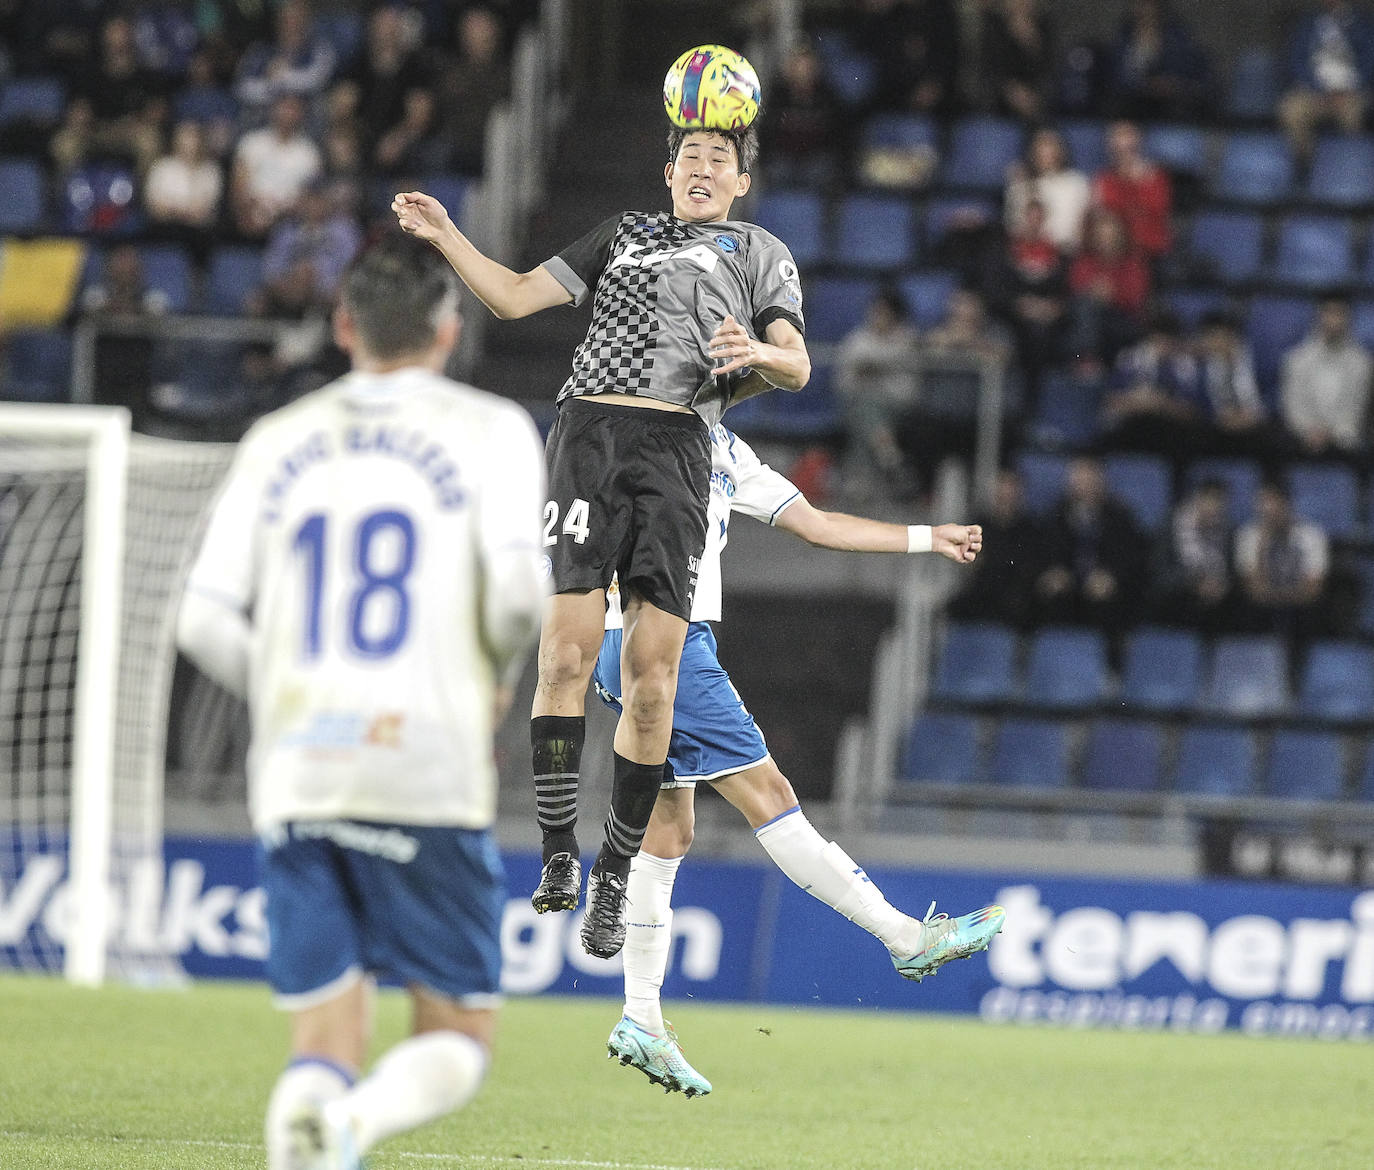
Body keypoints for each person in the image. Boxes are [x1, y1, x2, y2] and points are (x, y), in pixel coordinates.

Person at [392, 122, 810, 959]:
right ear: (667, 174)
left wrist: (755, 349)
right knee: (563, 657)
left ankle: (613, 880)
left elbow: (796, 368)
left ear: (739, 183)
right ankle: (557, 853)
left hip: (682, 450)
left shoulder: (760, 251)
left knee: (653, 680)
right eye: (689, 157)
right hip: (588, 435)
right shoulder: (619, 233)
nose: (702, 168)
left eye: (718, 160)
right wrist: (446, 236)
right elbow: (511, 297)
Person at [175, 236, 546, 1170]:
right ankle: (352, 1128)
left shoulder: (276, 438)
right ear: (448, 328)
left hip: (301, 765)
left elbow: (201, 619)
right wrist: (491, 678)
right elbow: (514, 598)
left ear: (343, 327)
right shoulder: (492, 428)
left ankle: (319, 1124)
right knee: (458, 1034)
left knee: (323, 1043)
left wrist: (292, 694)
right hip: (422, 760)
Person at [592, 424, 1005, 1095]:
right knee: (771, 794)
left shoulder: (727, 449)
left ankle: (641, 1017)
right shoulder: (644, 420)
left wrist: (929, 537)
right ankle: (904, 938)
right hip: (661, 641)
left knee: (670, 830)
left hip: (641, 644)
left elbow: (817, 525)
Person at [1279, 0, 1374, 160]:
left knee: (1352, 115)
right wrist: (1317, 89)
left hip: (1351, 93)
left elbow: (1369, 61)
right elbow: (1296, 60)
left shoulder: (1362, 23)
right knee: (1290, 109)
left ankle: (1347, 167)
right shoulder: (1309, 23)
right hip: (1314, 91)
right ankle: (1307, 164)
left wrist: (1349, 89)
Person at [1280, 294, 1373, 457]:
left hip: (1345, 444)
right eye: (1329, 313)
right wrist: (1309, 430)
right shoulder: (1296, 359)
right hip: (1302, 441)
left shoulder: (1363, 363)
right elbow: (1292, 406)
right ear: (1318, 316)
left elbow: (1355, 410)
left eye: (1339, 314)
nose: (1333, 321)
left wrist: (1331, 434)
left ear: (1348, 319)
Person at [1235, 480, 1330, 637]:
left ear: (1287, 505)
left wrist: (1279, 597)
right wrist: (1262, 548)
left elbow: (1314, 590)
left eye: (1274, 506)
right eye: (1262, 506)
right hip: (1260, 614)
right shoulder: (1248, 535)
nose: (1268, 513)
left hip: (1301, 613)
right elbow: (1254, 590)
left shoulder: (1313, 535)